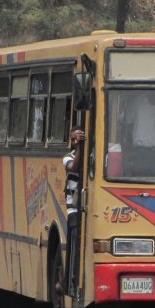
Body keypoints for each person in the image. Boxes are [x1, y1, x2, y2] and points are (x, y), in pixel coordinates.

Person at [62, 126, 84, 295]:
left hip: (88, 207)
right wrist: (80, 148)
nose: (76, 141)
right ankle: (70, 282)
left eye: (80, 138)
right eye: (74, 139)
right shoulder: (68, 158)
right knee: (74, 240)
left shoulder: (93, 156)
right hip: (73, 208)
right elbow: (74, 168)